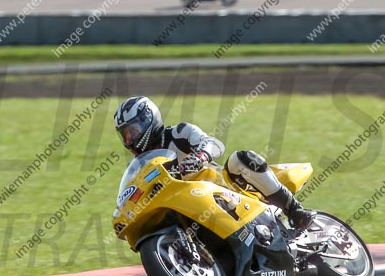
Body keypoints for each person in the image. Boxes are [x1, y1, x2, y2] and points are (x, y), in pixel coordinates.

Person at [113, 96, 314, 230]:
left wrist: (201, 156)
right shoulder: (142, 166)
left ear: (149, 119)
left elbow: (213, 143)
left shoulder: (179, 133)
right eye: (125, 135)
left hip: (224, 188)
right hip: (190, 208)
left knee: (240, 159)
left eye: (133, 131)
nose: (130, 140)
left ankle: (294, 209)